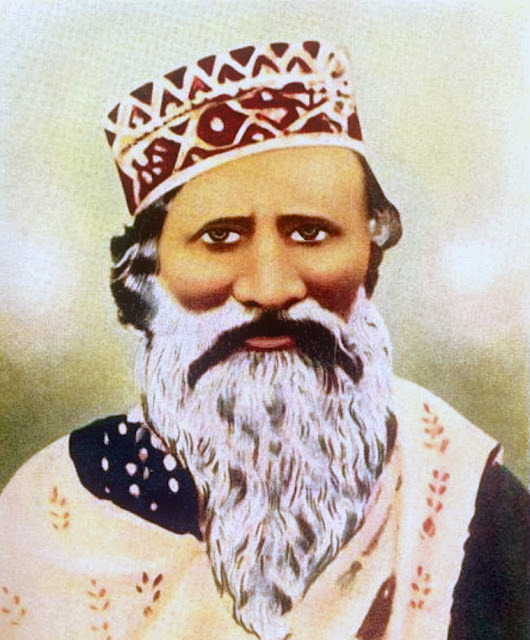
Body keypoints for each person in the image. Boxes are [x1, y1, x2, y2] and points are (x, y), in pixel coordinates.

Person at [0, 40, 527, 640]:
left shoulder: (469, 509)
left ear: (367, 256)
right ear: (149, 272)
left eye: (311, 233)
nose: (271, 288)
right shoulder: (53, 513)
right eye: (221, 238)